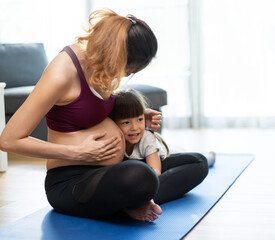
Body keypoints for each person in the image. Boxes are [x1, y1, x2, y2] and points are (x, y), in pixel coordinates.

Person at [0, 8, 208, 222]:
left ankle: (134, 200)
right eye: (129, 68)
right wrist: (79, 153)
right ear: (117, 54)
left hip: (117, 170)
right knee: (141, 175)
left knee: (197, 163)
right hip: (74, 181)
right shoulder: (61, 73)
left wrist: (136, 116)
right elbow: (8, 140)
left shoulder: (101, 65)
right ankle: (134, 198)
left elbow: (96, 107)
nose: (127, 74)